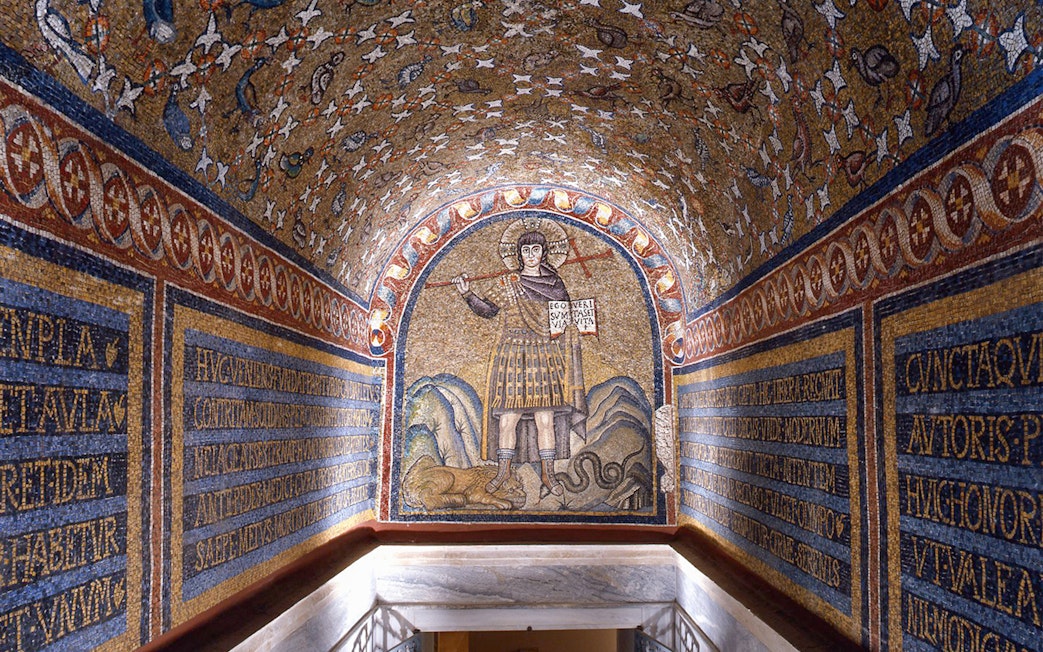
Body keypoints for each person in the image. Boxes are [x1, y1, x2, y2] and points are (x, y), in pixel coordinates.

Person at [452, 221, 587, 499]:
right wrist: (467, 293)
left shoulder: (555, 285)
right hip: (513, 356)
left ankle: (548, 475)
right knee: (507, 420)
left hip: (544, 356)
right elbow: (488, 310)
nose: (531, 255)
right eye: (526, 249)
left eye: (536, 249)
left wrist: (578, 323)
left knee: (545, 420)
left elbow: (563, 322)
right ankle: (503, 472)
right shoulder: (507, 282)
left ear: (544, 252)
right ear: (519, 253)